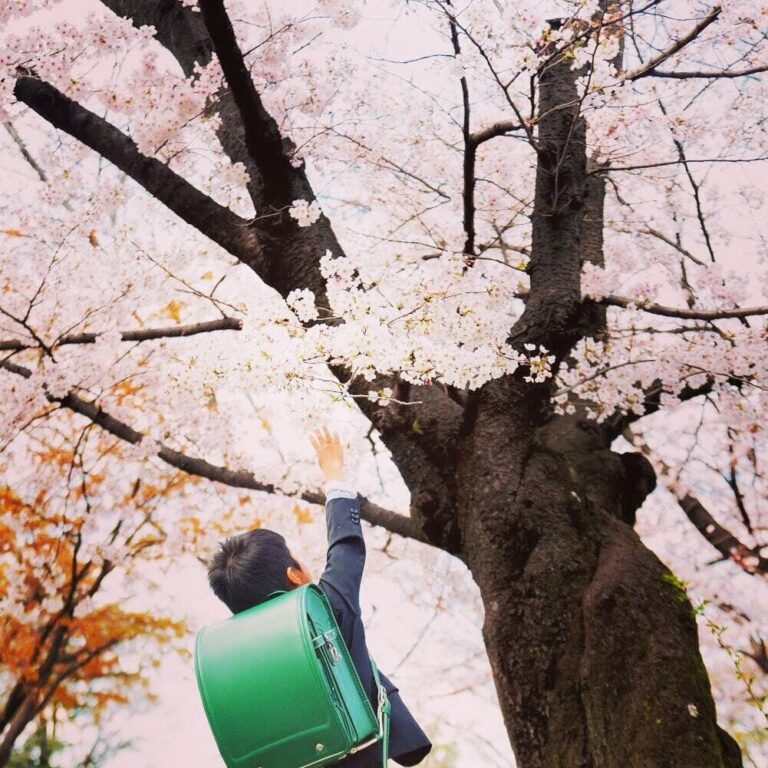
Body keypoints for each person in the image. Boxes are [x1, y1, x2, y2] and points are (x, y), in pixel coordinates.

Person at [207, 425, 432, 768]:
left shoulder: (236, 662)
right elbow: (346, 549)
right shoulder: (325, 613)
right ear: (293, 575)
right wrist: (334, 474)